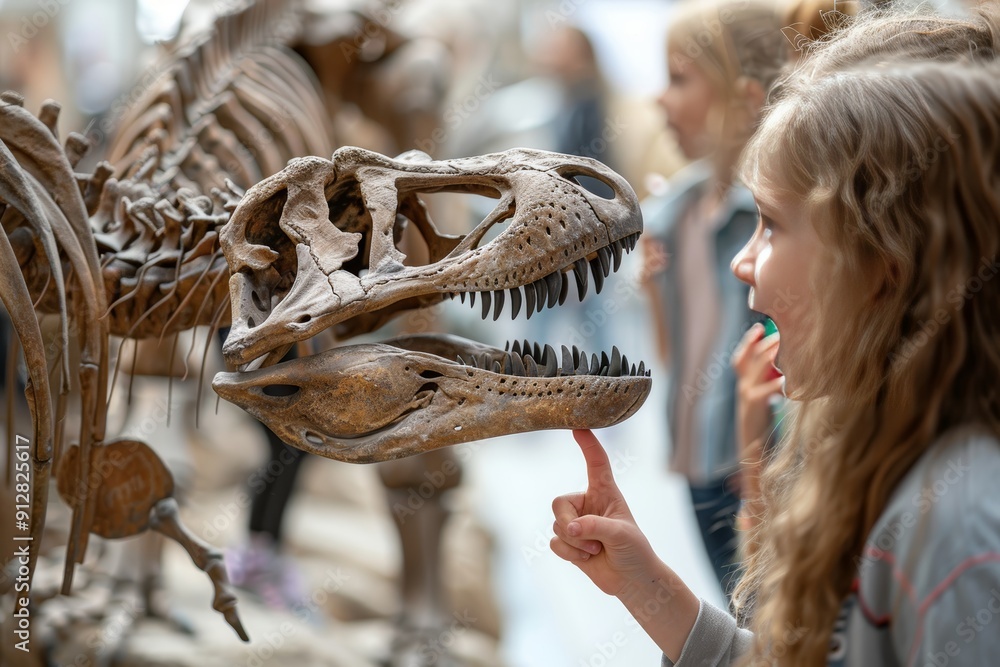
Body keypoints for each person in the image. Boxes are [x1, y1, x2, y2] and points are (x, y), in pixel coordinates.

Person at [551, 8, 1000, 666]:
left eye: (770, 224)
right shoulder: (868, 456)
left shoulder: (960, 532)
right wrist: (644, 584)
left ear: (880, 261)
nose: (744, 259)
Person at [640, 0, 786, 598]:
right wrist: (654, 288)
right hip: (697, 452)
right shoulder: (675, 214)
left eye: (679, 78)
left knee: (764, 611)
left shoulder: (770, 217)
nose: (659, 99)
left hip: (754, 465)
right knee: (733, 605)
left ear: (746, 98)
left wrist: (760, 459)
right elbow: (676, 357)